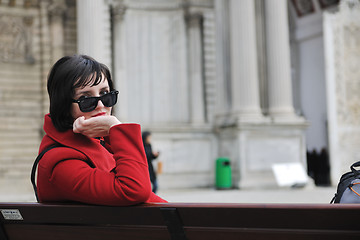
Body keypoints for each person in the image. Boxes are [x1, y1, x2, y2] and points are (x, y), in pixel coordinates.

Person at [35, 54, 166, 206]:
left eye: (105, 94)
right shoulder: (60, 163)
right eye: (86, 98)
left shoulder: (99, 143)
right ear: (64, 105)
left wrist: (111, 134)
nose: (101, 105)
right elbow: (134, 190)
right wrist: (115, 127)